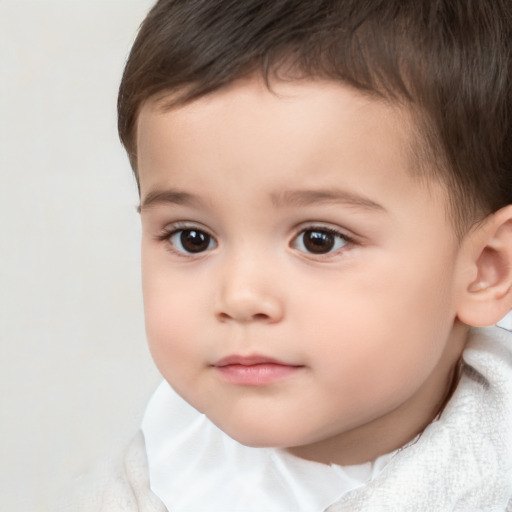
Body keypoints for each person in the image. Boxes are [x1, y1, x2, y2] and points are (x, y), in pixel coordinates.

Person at [64, 0, 512, 510]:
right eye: (193, 238)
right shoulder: (146, 480)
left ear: (485, 269)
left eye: (319, 239)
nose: (240, 296)